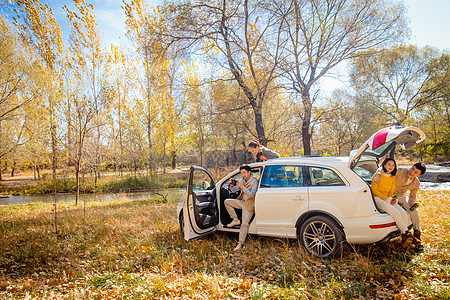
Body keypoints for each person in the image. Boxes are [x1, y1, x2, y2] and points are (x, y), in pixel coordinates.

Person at [371, 158, 415, 248]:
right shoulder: (377, 176)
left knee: (403, 212)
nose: (391, 167)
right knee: (396, 212)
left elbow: (391, 191)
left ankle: (404, 237)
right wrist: (385, 198)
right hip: (377, 199)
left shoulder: (392, 179)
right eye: (389, 164)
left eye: (393, 165)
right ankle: (407, 233)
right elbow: (374, 190)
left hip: (387, 199)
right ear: (384, 165)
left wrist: (392, 199)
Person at [224, 165, 259, 251]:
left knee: (244, 224)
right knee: (227, 202)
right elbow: (234, 190)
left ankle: (240, 244)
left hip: (249, 205)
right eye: (241, 173)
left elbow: (251, 194)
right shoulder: (242, 180)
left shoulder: (254, 182)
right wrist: (232, 185)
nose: (243, 175)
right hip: (242, 202)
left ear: (249, 172)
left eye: (244, 173)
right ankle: (235, 220)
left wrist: (242, 187)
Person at [393, 162, 426, 246]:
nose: (412, 172)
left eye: (416, 172)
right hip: (390, 195)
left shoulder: (416, 183)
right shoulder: (401, 171)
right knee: (401, 212)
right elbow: (387, 173)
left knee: (414, 212)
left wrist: (412, 203)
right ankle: (405, 236)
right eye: (412, 168)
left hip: (401, 196)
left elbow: (412, 196)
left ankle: (417, 233)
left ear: (419, 175)